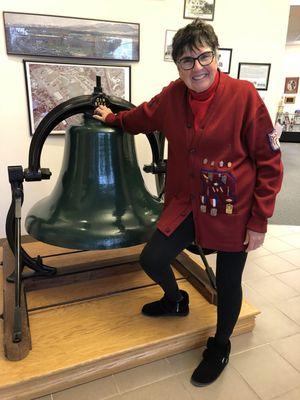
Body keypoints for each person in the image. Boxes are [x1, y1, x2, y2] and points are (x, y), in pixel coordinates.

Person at [93, 19, 283, 386]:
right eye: (186, 61)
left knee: (229, 282)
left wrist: (259, 220)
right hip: (188, 202)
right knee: (152, 257)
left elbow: (269, 162)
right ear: (177, 66)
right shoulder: (172, 96)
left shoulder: (244, 96)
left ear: (216, 56)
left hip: (233, 210)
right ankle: (175, 300)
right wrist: (112, 118)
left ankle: (221, 343)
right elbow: (141, 117)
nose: (197, 67)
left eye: (203, 57)